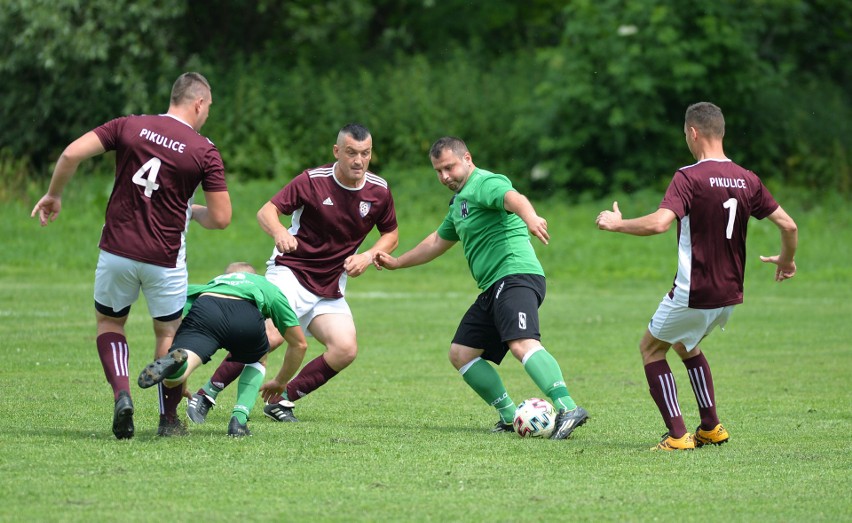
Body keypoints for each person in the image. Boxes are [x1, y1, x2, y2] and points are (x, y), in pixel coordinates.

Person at [30, 72, 232, 439]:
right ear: (199, 103)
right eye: (208, 108)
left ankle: (122, 394)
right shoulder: (204, 150)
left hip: (117, 250)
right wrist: (190, 210)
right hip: (165, 258)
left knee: (110, 324)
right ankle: (168, 420)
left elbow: (70, 153)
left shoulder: (129, 125)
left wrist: (54, 195)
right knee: (168, 334)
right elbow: (221, 219)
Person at [595, 102, 798, 451]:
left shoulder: (689, 177)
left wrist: (617, 224)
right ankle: (711, 427)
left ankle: (677, 436)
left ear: (693, 132)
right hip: (729, 296)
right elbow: (789, 225)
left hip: (695, 291)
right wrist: (786, 260)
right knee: (684, 344)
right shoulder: (747, 178)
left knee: (650, 349)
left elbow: (660, 223)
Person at [373, 136, 589, 439]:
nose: (445, 176)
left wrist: (530, 217)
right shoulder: (460, 202)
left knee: (521, 343)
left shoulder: (483, 182)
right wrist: (398, 262)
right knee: (461, 353)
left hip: (516, 275)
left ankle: (568, 407)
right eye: (438, 171)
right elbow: (437, 241)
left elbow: (512, 197)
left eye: (449, 167)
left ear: (467, 159)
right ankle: (510, 415)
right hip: (493, 286)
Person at [186, 123, 398, 424]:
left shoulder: (379, 190)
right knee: (269, 337)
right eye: (351, 153)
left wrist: (367, 255)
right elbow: (266, 212)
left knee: (345, 348)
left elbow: (391, 233)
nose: (358, 161)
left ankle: (283, 400)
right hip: (292, 272)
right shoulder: (313, 181)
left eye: (365, 154)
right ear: (337, 151)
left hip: (330, 286)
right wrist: (279, 232)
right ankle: (206, 394)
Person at [137, 262, 306, 437]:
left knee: (181, 365)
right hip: (245, 315)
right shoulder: (266, 286)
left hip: (207, 307)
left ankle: (179, 371)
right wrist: (280, 381)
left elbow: (174, 317)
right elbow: (300, 344)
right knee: (259, 357)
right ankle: (239, 420)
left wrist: (182, 382)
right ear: (256, 276)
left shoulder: (213, 284)